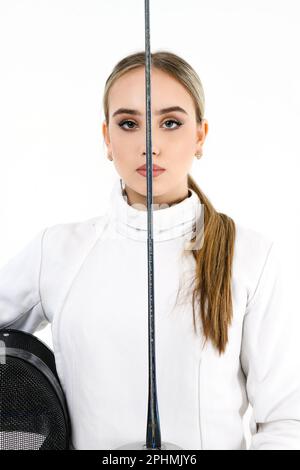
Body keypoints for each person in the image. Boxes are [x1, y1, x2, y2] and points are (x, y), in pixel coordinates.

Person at [1, 50, 300, 450]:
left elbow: (286, 418)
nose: (149, 145)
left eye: (171, 123)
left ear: (200, 136)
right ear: (107, 138)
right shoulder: (56, 251)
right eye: (128, 124)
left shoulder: (250, 257)